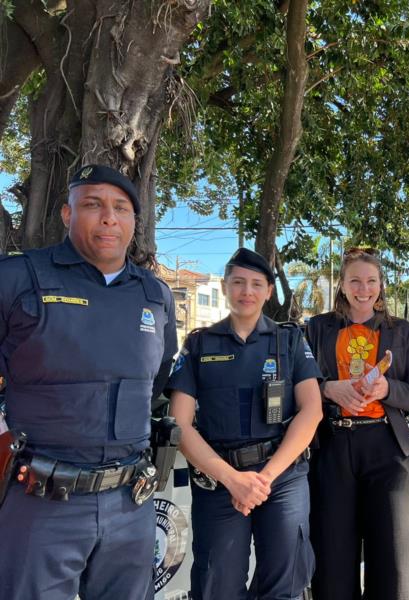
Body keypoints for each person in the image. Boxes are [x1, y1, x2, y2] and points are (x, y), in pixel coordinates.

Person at [0, 165, 178, 600]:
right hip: (41, 501)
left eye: (121, 208)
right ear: (66, 213)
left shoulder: (155, 296)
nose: (108, 218)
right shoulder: (18, 278)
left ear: (135, 222)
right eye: (93, 205)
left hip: (130, 503)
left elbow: (157, 377)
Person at [166, 248, 323, 599]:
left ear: (269, 290)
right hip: (220, 481)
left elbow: (311, 411)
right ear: (224, 287)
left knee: (284, 584)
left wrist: (263, 479)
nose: (246, 291)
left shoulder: (290, 340)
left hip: (281, 479)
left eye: (256, 284)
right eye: (238, 282)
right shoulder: (199, 344)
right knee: (217, 585)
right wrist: (233, 480)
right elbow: (180, 423)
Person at [305, 247, 409, 600]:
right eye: (355, 280)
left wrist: (388, 388)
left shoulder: (401, 331)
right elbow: (303, 385)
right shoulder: (318, 327)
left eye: (371, 281)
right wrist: (328, 388)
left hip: (387, 450)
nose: (363, 288)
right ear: (341, 285)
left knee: (393, 556)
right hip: (333, 447)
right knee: (332, 552)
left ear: (380, 285)